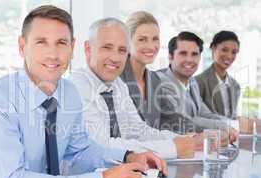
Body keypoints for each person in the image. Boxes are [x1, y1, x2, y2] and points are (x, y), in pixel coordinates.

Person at [0, 5, 167, 178]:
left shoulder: (68, 92)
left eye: (61, 43)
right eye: (41, 42)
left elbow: (80, 149)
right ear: (22, 47)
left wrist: (128, 156)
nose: (53, 54)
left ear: (72, 47)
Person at [69, 18, 200, 160]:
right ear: (88, 49)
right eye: (107, 47)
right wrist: (173, 148)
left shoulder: (117, 84)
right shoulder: (78, 85)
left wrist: (188, 140)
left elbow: (139, 131)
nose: (115, 58)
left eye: (122, 50)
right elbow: (102, 145)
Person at [120, 11, 198, 134]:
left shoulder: (154, 79)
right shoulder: (117, 77)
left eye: (155, 39)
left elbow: (172, 119)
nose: (151, 46)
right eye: (142, 39)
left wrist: (203, 134)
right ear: (128, 41)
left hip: (155, 150)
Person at [157, 31, 238, 141]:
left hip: (193, 147)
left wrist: (232, 124)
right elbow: (185, 120)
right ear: (171, 57)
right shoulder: (161, 82)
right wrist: (225, 127)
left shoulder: (192, 82)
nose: (189, 60)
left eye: (194, 54)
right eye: (183, 53)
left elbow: (205, 113)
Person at [195, 30, 240, 119]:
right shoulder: (198, 82)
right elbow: (197, 117)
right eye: (224, 50)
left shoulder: (235, 86)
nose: (229, 56)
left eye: (234, 52)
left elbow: (232, 117)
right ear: (213, 48)